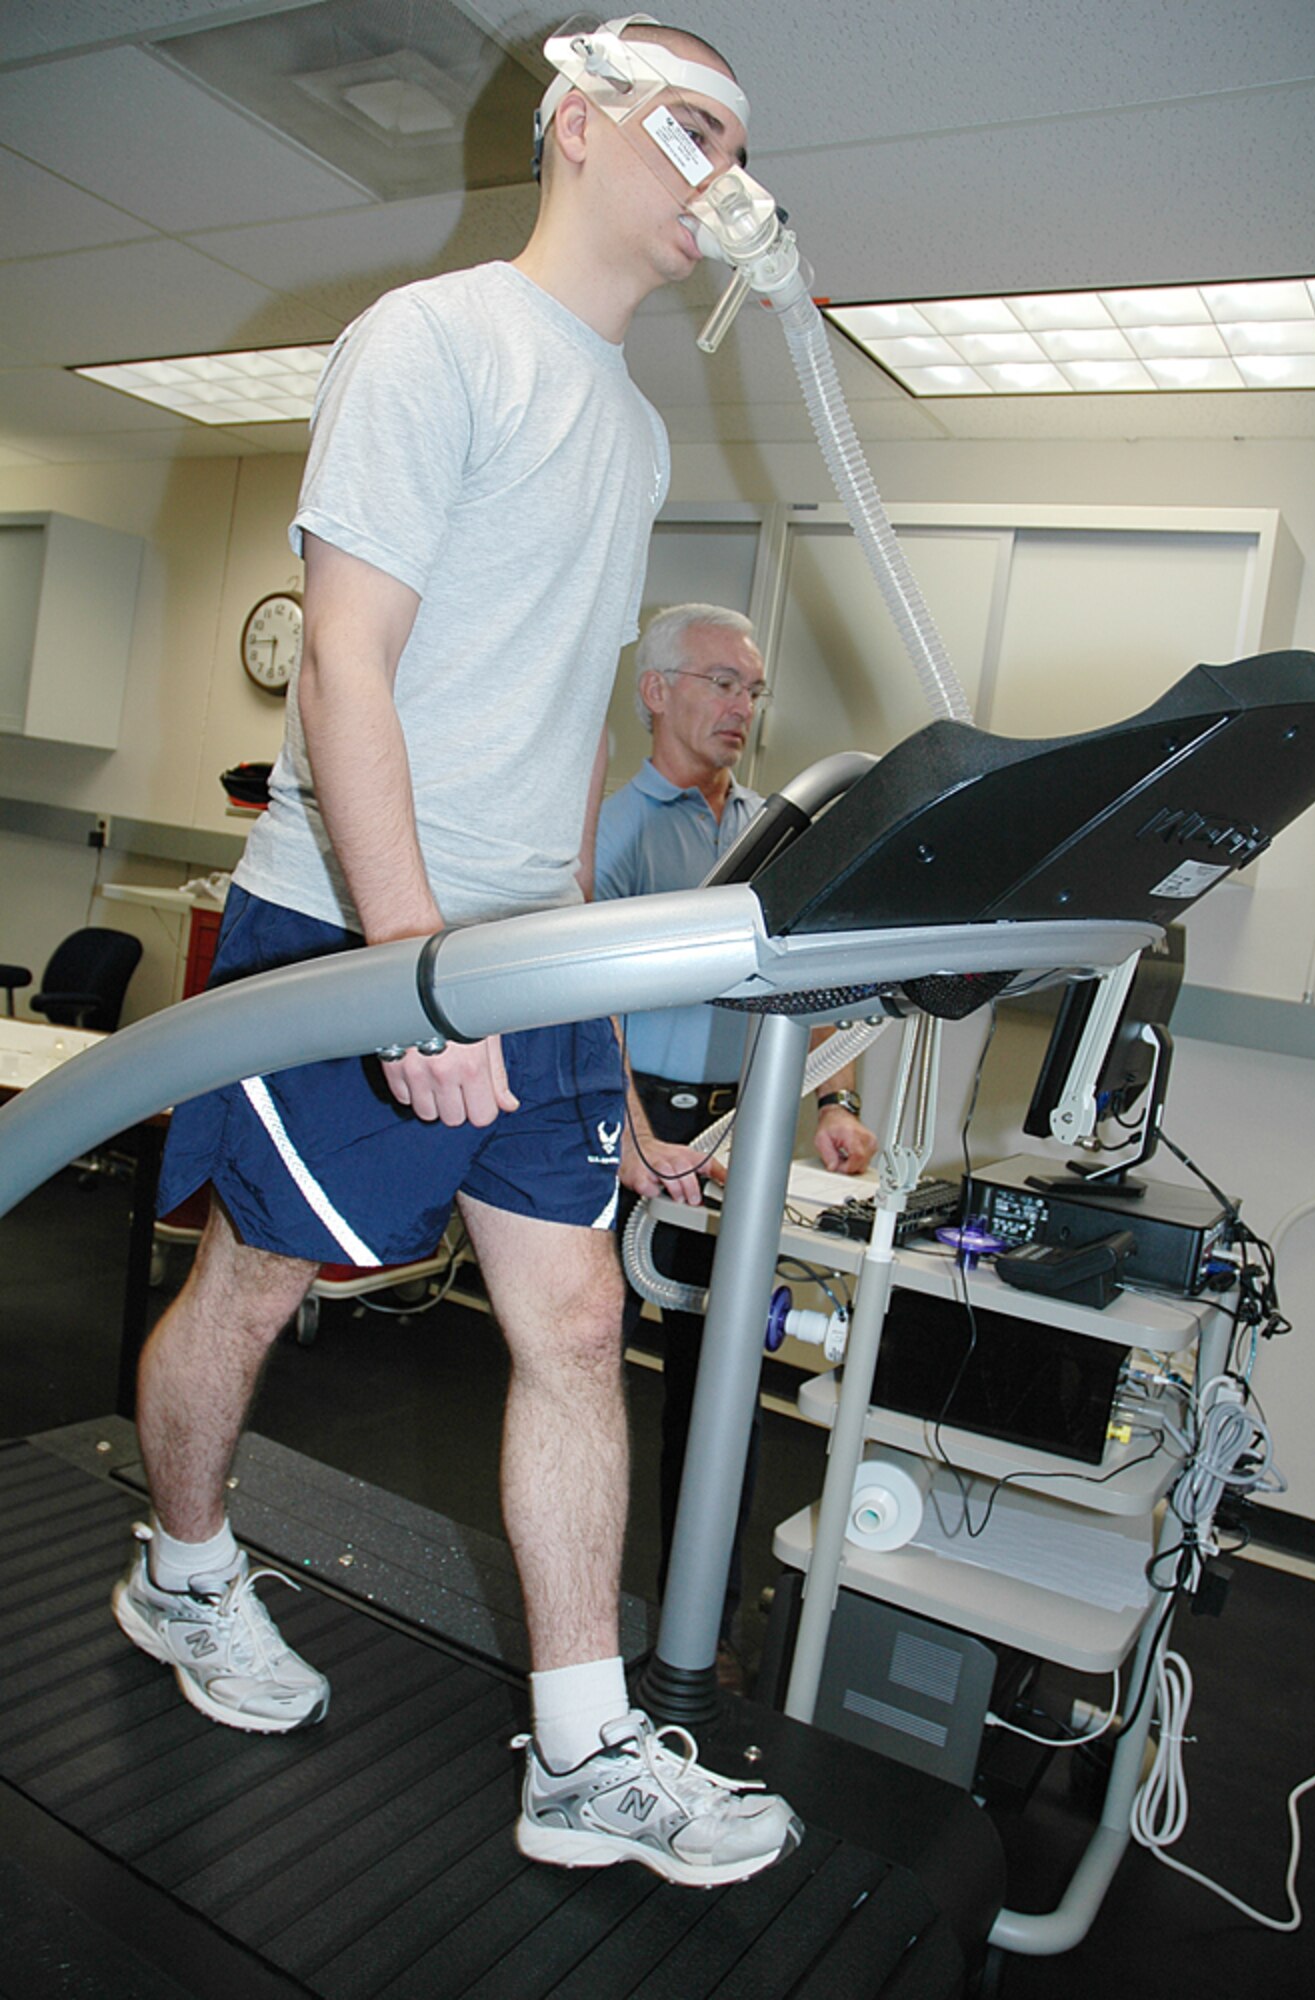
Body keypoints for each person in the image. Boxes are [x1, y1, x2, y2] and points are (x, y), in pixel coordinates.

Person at [109, 20, 801, 1890]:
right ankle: (181, 1571)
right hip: (354, 928)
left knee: (576, 1320)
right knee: (266, 1283)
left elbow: (570, 725)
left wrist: (570, 982)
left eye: (742, 145)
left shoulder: (641, 425)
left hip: (524, 957)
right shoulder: (433, 342)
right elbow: (346, 659)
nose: (724, 178)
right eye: (692, 129)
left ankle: (581, 1754)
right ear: (578, 125)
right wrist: (414, 965)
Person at [595, 604, 877, 1683]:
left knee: (721, 1393)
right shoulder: (618, 831)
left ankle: (701, 1630)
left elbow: (815, 977)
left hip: (735, 1130)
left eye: (752, 690)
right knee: (581, 1375)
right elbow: (590, 1002)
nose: (740, 708)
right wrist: (634, 1128)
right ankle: (574, 1603)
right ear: (655, 689)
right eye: (719, 682)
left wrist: (829, 1102)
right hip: (631, 1125)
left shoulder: (778, 829)